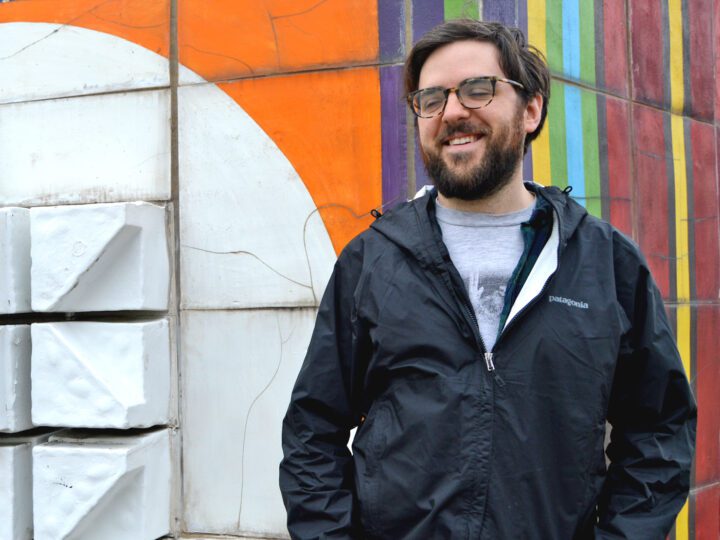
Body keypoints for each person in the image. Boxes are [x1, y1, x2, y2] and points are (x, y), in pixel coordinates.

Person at [279, 19, 697, 540]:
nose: (452, 111)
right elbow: (312, 431)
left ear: (531, 109)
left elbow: (658, 429)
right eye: (431, 98)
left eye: (479, 89)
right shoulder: (372, 261)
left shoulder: (605, 263)